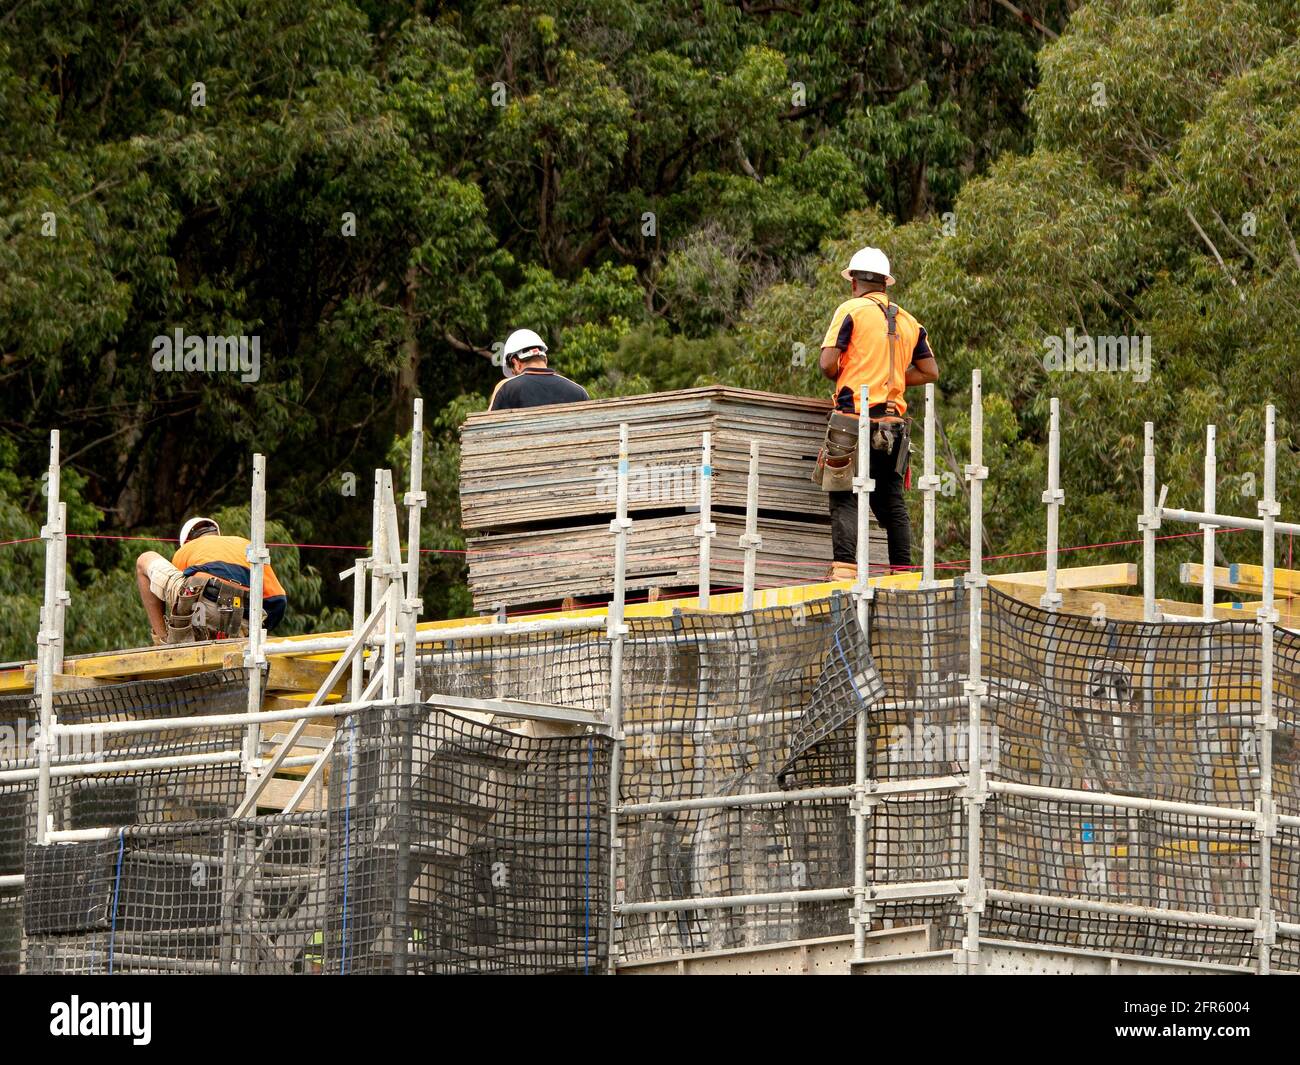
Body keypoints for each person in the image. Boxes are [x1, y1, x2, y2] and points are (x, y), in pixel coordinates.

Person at [815, 247, 939, 578]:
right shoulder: (910, 322)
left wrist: (851, 373)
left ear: (854, 281)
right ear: (885, 283)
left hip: (852, 420)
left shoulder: (850, 310)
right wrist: (894, 377)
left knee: (844, 493)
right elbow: (930, 372)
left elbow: (827, 365)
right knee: (892, 500)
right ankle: (903, 572)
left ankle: (844, 571)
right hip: (893, 426)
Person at [135, 517, 288, 643]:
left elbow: (178, 602)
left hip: (204, 601)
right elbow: (278, 600)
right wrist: (258, 630)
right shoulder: (247, 545)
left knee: (144, 560)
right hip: (243, 617)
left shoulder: (186, 550)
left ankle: (162, 639)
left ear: (186, 541)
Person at [488, 328, 589, 410]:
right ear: (545, 359)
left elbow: (488, 428)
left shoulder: (506, 389)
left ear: (516, 363)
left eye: (514, 373)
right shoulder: (579, 392)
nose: (515, 377)